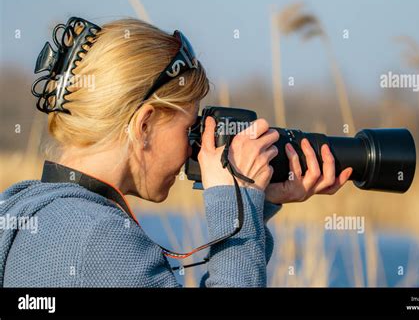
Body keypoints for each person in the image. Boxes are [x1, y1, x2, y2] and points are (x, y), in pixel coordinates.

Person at [0, 17, 352, 287]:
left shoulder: (27, 209)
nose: (194, 150)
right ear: (145, 125)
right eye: (190, 128)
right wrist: (235, 203)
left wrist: (252, 212)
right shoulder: (98, 237)